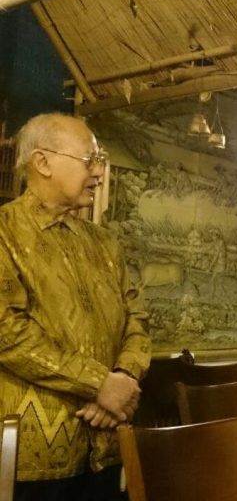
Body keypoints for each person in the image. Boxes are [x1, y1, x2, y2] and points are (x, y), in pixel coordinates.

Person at [0, 113, 151, 500]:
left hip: (107, 443)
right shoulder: (4, 231)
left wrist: (123, 379)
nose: (99, 172)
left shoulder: (106, 243)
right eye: (90, 160)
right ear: (43, 162)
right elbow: (6, 331)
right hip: (35, 455)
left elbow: (137, 319)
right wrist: (100, 384)